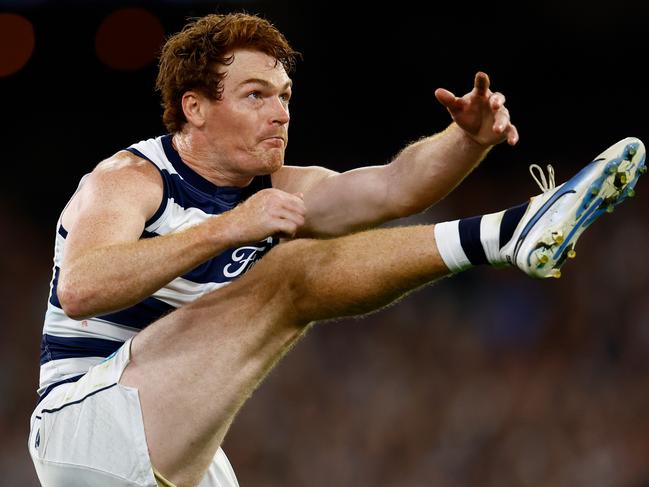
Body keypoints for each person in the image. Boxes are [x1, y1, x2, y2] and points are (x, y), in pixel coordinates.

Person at [28, 12, 645, 487]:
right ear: (194, 107)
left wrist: (466, 140)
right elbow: (82, 288)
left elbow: (394, 187)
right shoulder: (130, 178)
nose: (280, 113)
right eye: (254, 95)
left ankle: (508, 230)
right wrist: (225, 228)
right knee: (290, 273)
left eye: (285, 96)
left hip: (174, 441)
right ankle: (507, 232)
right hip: (88, 425)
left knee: (289, 267)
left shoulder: (279, 190)